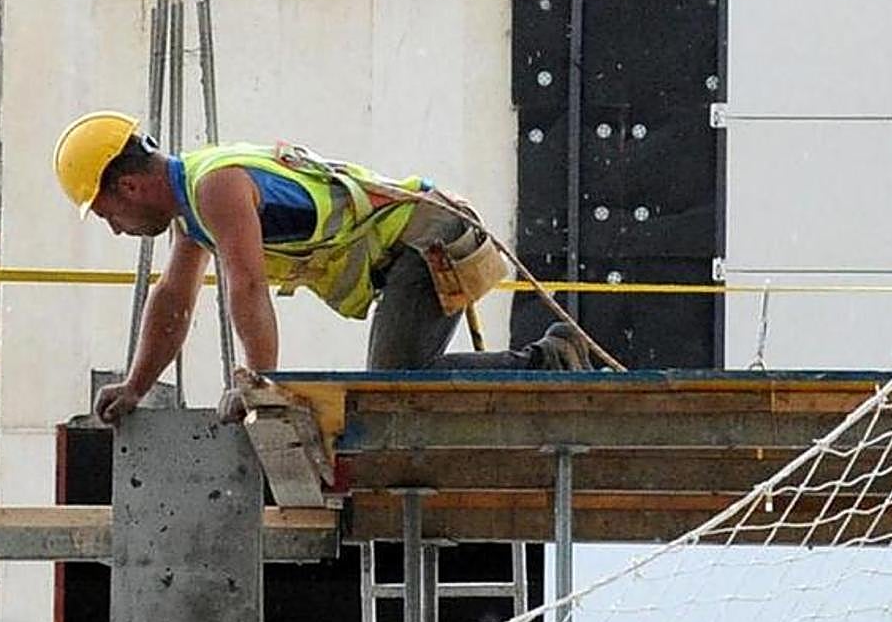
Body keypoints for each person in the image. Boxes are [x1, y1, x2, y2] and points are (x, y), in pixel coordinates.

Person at [53, 111, 594, 424]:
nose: (116, 228)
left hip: (426, 235)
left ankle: (551, 361)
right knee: (395, 389)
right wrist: (135, 386)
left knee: (392, 389)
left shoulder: (214, 186)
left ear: (128, 185)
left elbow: (247, 285)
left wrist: (259, 383)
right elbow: (174, 301)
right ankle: (548, 361)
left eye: (108, 214)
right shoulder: (191, 211)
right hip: (409, 246)